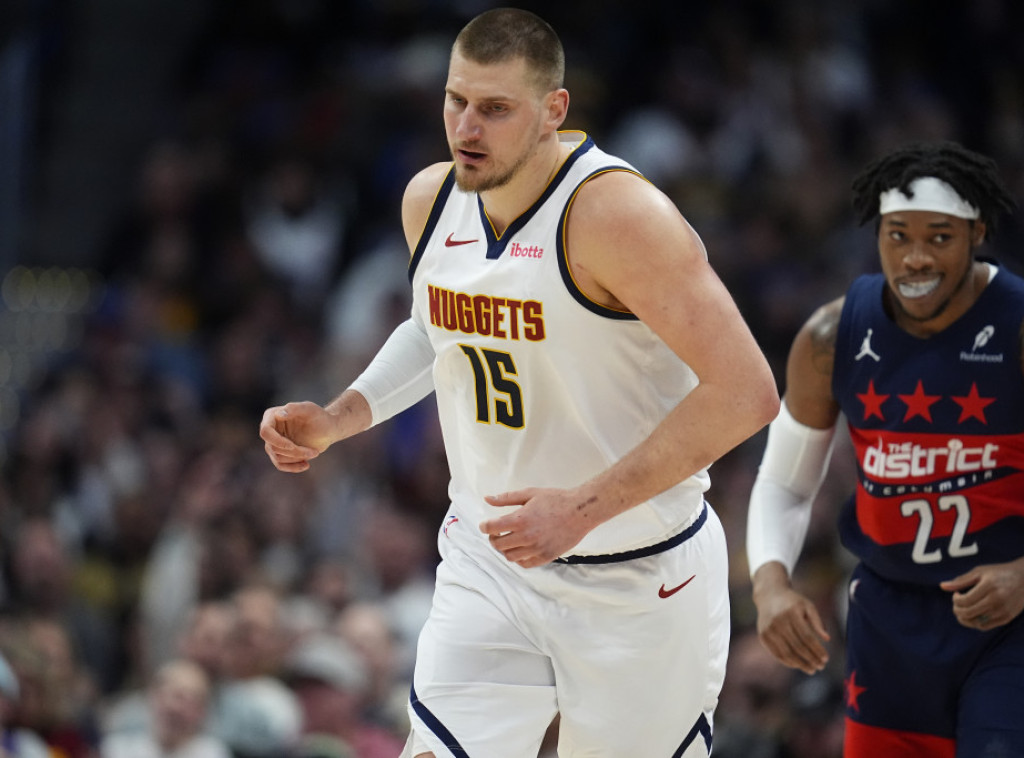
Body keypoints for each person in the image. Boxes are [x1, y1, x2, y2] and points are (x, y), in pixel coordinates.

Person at [261, 8, 779, 757]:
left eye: (496, 108)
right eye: (456, 101)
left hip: (636, 576)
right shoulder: (430, 200)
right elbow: (438, 328)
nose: (467, 128)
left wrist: (580, 510)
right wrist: (340, 418)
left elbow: (746, 393)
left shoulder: (618, 215)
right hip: (489, 562)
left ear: (552, 110)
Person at [746, 140, 1024, 756]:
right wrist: (771, 586)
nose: (916, 257)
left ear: (977, 233)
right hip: (889, 622)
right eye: (898, 236)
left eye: (939, 238)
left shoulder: (1017, 326)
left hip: (1008, 618)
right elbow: (785, 482)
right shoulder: (831, 335)